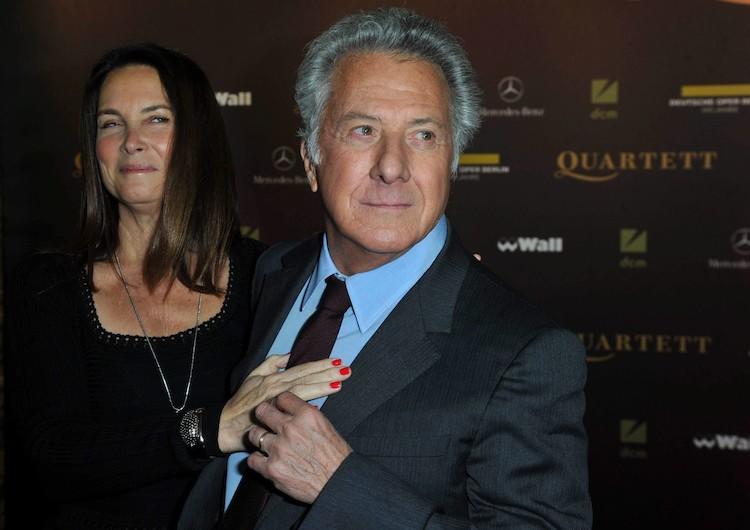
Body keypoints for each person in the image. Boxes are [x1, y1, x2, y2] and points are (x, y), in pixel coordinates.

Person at [180, 8, 592, 529]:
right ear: (310, 160)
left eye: (423, 135)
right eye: (363, 130)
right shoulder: (272, 272)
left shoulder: (523, 350)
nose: (392, 167)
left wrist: (340, 486)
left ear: (452, 162)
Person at [5, 44, 351, 529]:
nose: (131, 141)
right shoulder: (48, 286)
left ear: (197, 137)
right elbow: (51, 458)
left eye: (156, 119)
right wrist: (208, 429)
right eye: (110, 124)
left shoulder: (268, 273)